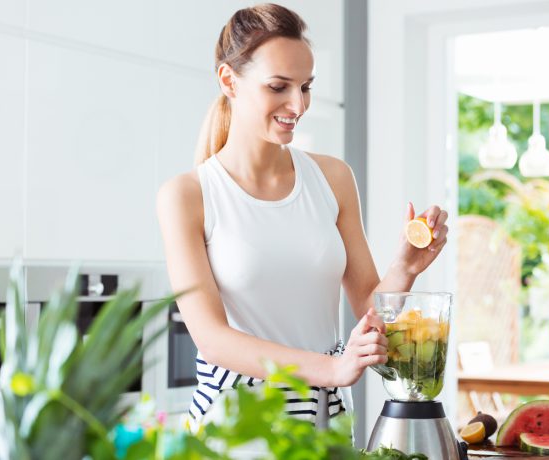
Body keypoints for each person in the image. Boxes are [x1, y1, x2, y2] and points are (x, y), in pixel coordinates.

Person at [156, 3, 448, 433]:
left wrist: (404, 268)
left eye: (306, 86)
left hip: (324, 419)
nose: (298, 104)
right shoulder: (188, 195)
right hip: (236, 424)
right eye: (278, 86)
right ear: (228, 81)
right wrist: (332, 370)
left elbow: (368, 305)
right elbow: (212, 339)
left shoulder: (332, 178)